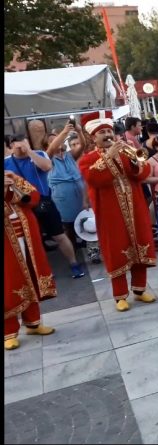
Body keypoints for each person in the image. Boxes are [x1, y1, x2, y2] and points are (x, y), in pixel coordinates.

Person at [78, 111, 157, 311]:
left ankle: (139, 289)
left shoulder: (126, 151)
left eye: (109, 131)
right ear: (93, 137)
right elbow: (94, 179)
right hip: (110, 213)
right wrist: (109, 156)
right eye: (102, 132)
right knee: (116, 250)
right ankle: (120, 295)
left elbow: (143, 174)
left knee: (140, 246)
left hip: (135, 206)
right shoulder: (87, 159)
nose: (107, 135)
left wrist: (135, 161)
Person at [5, 134, 85, 279]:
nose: (22, 146)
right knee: (32, 240)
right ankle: (42, 272)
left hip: (44, 201)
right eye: (19, 144)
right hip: (22, 206)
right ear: (11, 146)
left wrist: (29, 151)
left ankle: (74, 264)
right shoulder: (6, 162)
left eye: (25, 143)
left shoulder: (39, 154)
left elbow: (47, 166)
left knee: (59, 235)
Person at [4, 172, 57, 350]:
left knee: (31, 277)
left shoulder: (10, 176)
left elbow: (33, 197)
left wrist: (13, 187)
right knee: (9, 284)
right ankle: (8, 332)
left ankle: (33, 323)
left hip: (26, 238)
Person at [45, 121, 90, 252]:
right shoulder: (47, 158)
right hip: (63, 198)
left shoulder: (69, 155)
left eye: (58, 139)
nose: (58, 141)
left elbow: (83, 145)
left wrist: (79, 131)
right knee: (68, 225)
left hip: (79, 194)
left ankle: (89, 247)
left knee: (85, 220)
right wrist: (64, 132)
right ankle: (73, 249)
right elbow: (52, 149)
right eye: (53, 140)